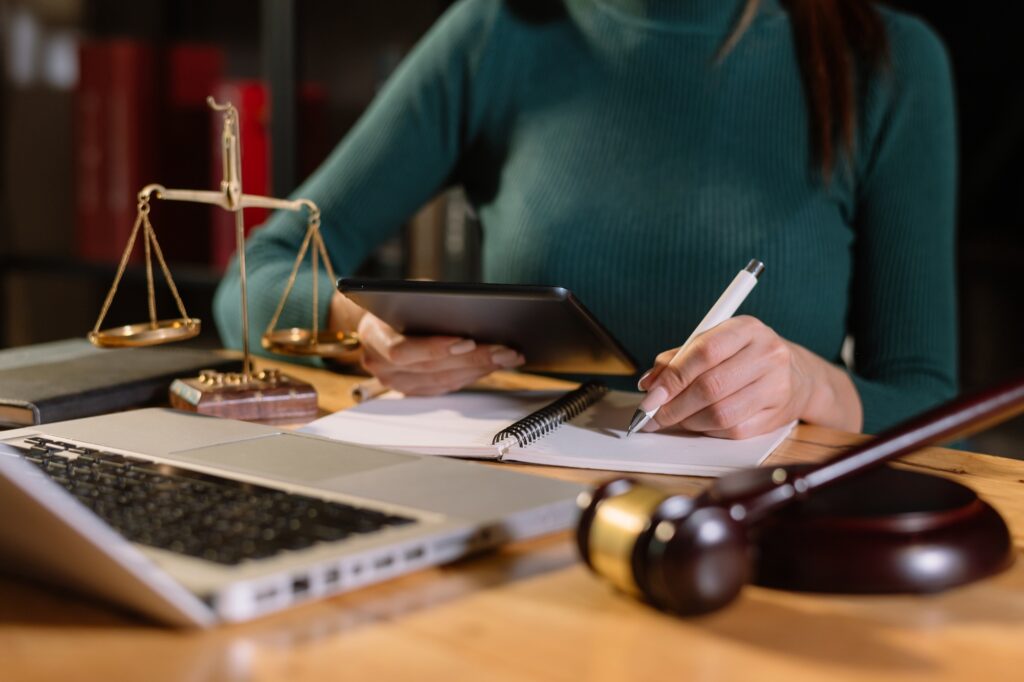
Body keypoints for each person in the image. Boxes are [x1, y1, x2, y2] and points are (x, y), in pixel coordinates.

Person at [214, 0, 957, 438]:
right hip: (506, 515)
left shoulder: (885, 61)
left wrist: (809, 388)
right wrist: (360, 329)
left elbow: (925, 396)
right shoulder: (498, 33)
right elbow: (259, 271)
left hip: (752, 537)